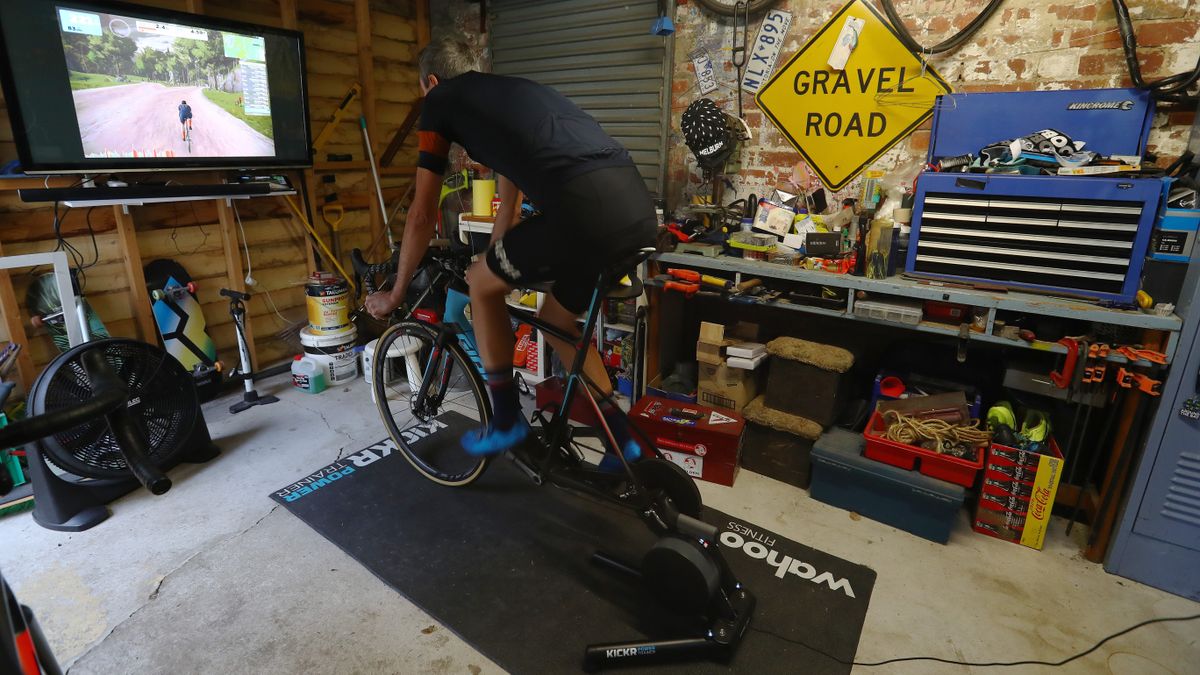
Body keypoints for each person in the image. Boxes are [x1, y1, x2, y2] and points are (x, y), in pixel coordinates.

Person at [365, 38, 656, 464]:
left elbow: (421, 214)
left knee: (479, 286)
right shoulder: (509, 97)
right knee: (556, 320)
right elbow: (511, 199)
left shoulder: (441, 100)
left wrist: (395, 293)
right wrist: (497, 257)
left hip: (581, 213)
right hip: (635, 213)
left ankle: (505, 420)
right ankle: (621, 441)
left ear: (431, 81)